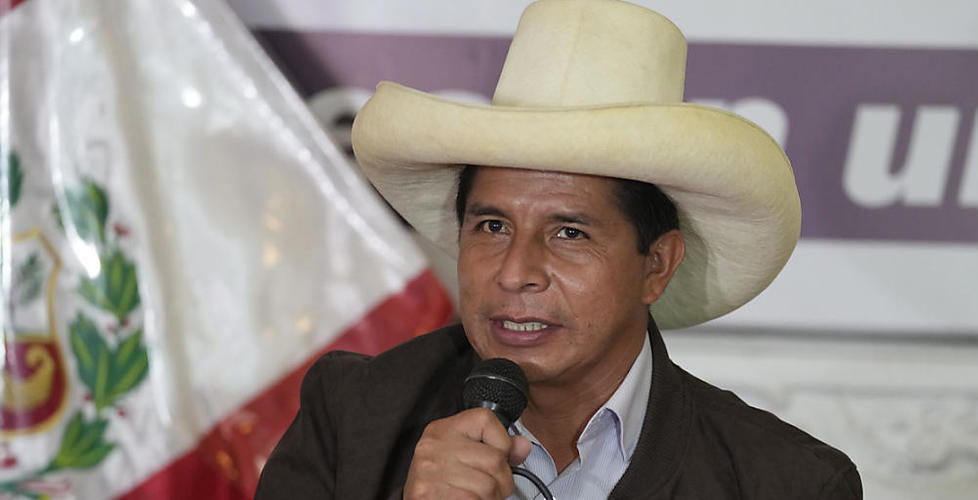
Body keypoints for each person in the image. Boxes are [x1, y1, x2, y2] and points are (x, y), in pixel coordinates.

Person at [256, 0, 862, 498]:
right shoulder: (353, 420)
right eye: (492, 226)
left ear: (657, 265)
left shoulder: (787, 483)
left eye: (569, 233)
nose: (515, 272)